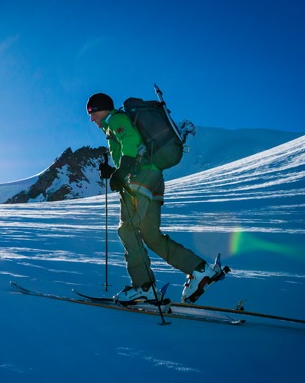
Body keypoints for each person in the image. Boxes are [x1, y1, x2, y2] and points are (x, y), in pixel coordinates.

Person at [87, 92, 225, 303]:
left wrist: (122, 170)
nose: (91, 118)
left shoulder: (115, 119)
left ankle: (143, 286)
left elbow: (130, 141)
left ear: (101, 108)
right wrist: (113, 171)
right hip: (153, 179)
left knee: (127, 229)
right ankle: (200, 270)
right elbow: (131, 147)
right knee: (151, 235)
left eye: (92, 112)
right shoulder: (113, 125)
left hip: (140, 178)